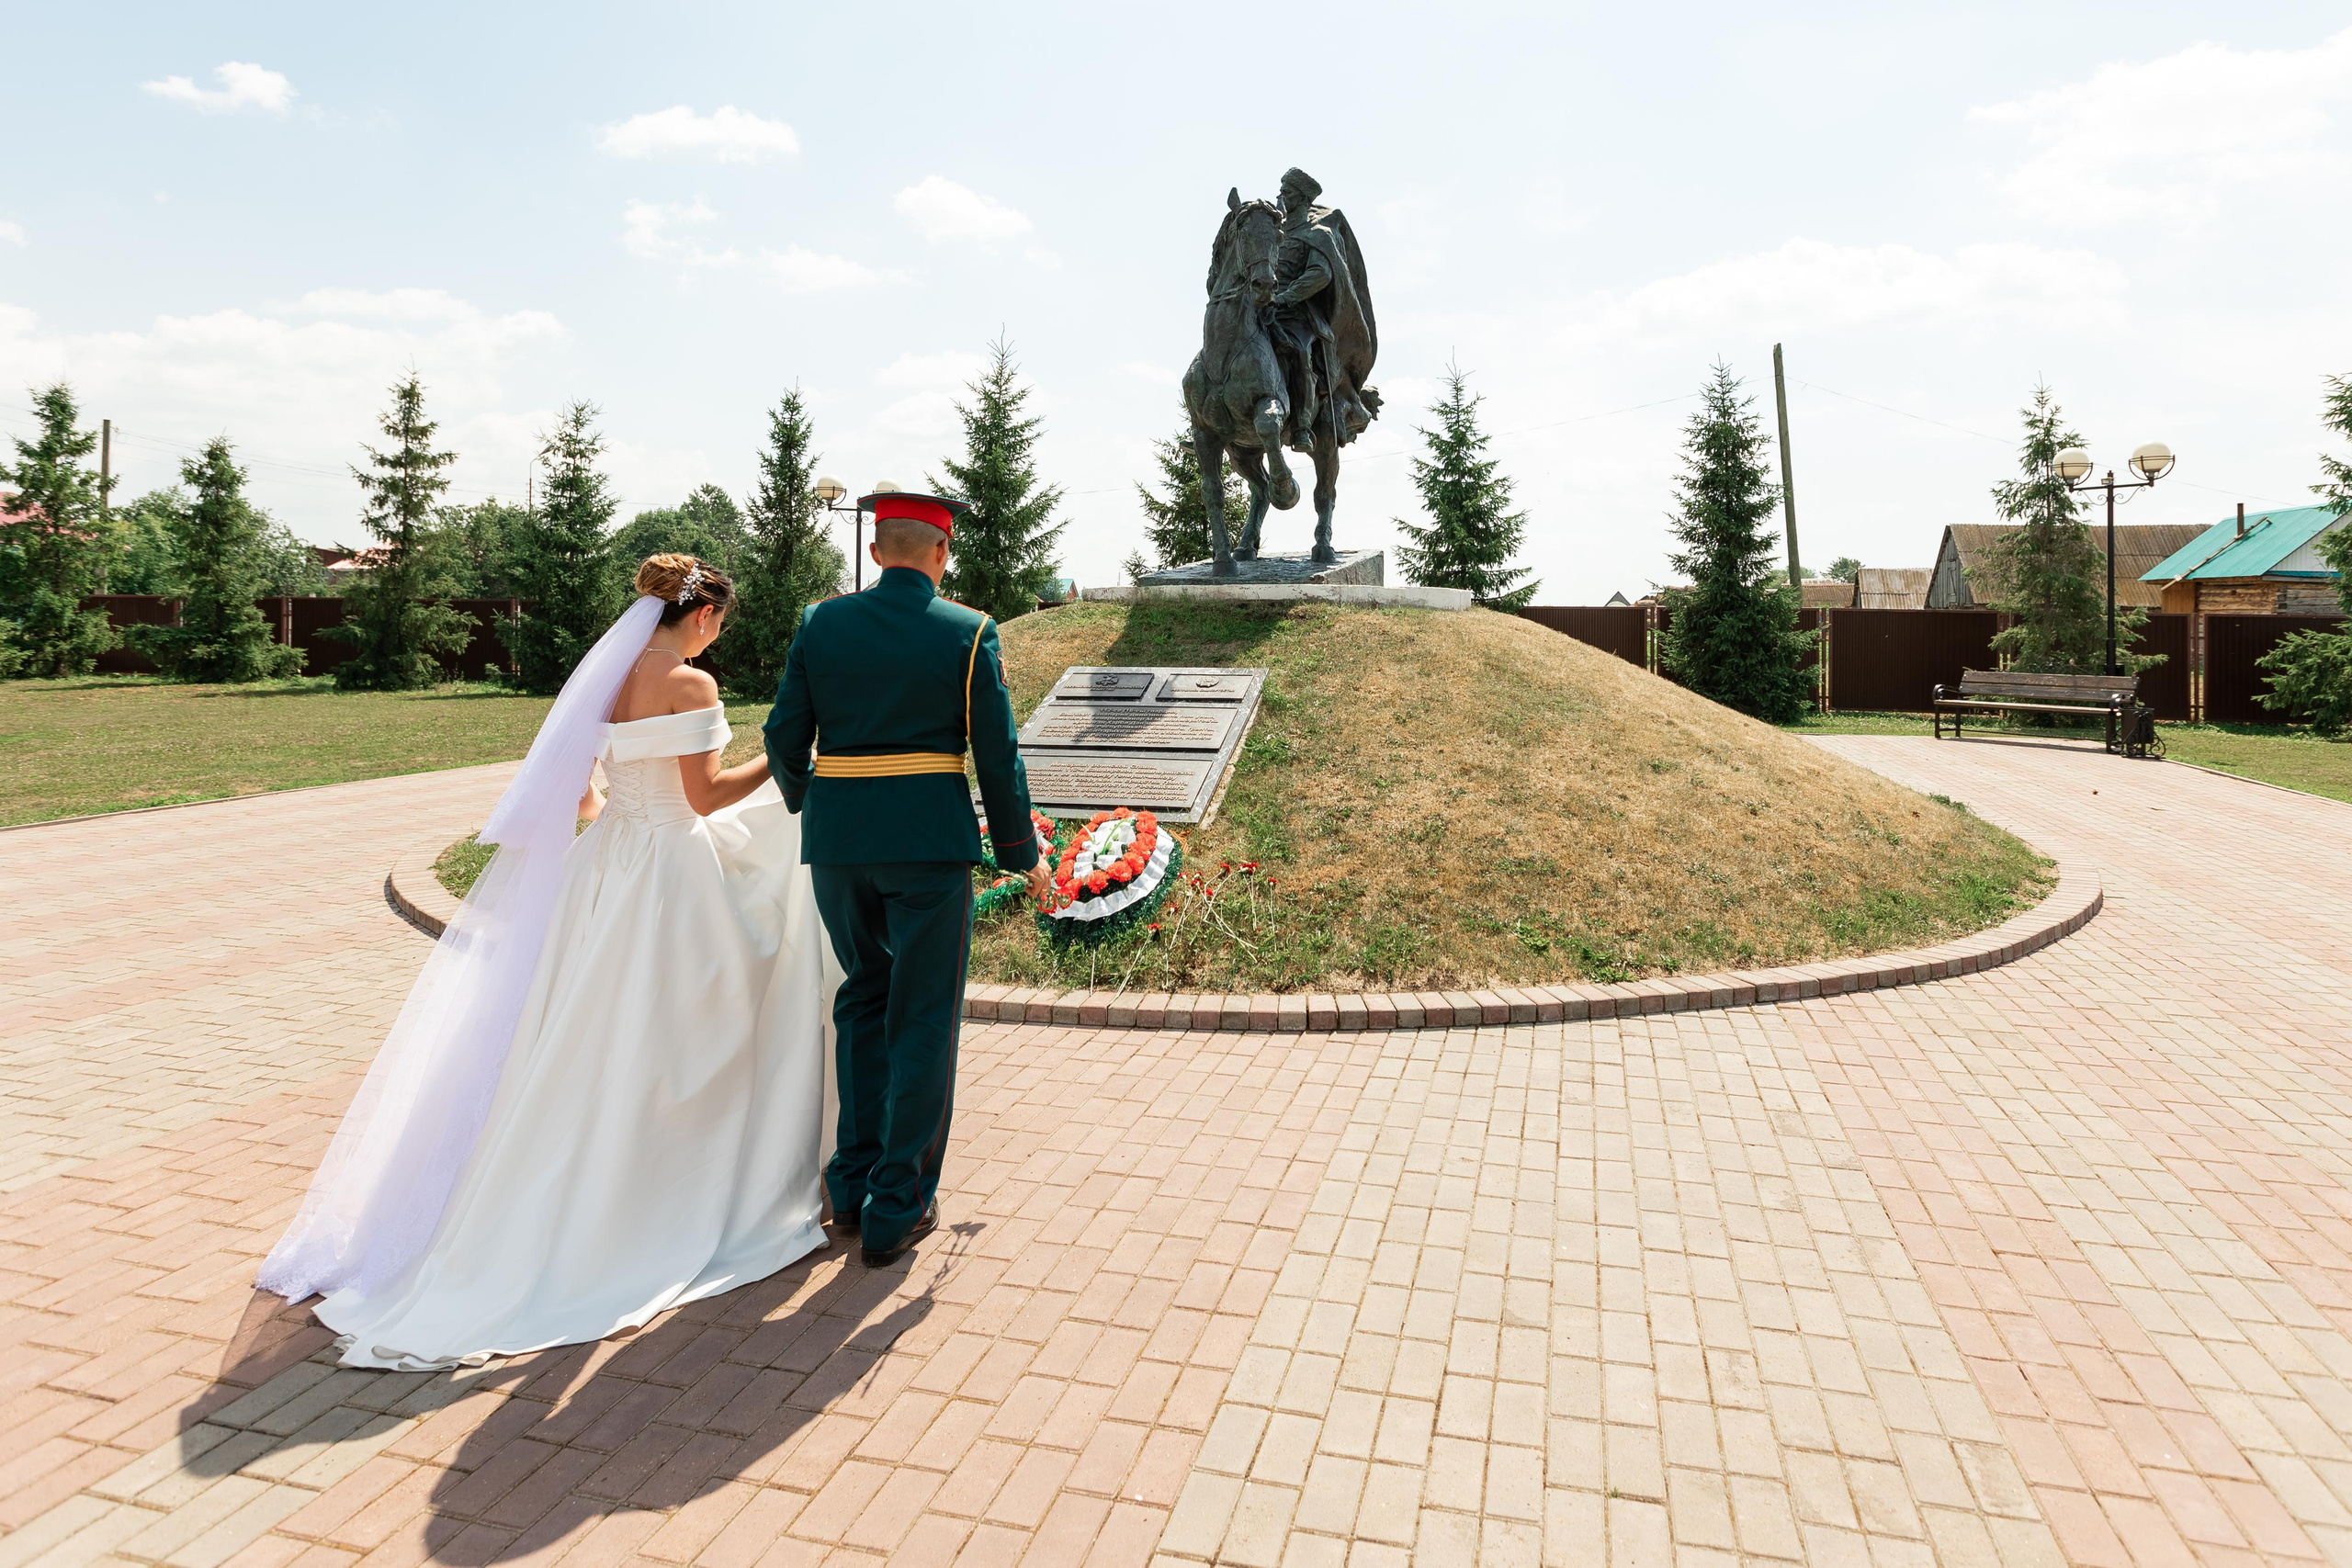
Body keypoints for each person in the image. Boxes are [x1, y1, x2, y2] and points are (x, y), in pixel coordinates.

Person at [258, 555, 838, 1370]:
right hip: (671, 871)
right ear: (704, 615)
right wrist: (787, 757)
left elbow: (583, 794)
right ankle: (670, 1178)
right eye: (719, 624)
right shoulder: (690, 684)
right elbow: (705, 798)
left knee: (585, 1031)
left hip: (605, 868)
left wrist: (622, 818)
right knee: (696, 1019)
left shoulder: (606, 676)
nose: (715, 638)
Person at [764, 492, 1048, 1268]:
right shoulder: (968, 631)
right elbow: (998, 755)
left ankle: (851, 1188)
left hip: (839, 845)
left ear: (877, 550)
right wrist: (1022, 851)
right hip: (926, 847)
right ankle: (898, 1205)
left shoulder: (820, 622)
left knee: (863, 997)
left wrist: (816, 799)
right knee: (922, 1015)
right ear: (940, 553)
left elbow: (783, 734)